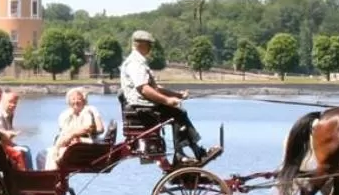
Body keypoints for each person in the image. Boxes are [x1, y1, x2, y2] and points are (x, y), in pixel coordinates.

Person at [120, 29, 217, 166]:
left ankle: (193, 152)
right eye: (149, 44)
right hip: (141, 107)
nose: (151, 47)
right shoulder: (135, 63)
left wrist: (177, 95)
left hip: (143, 104)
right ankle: (183, 154)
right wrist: (167, 101)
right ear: (139, 44)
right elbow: (143, 89)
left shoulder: (139, 61)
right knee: (177, 113)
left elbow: (156, 88)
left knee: (178, 112)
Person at [45, 87, 105, 170]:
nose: (75, 102)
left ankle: (52, 179)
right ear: (69, 102)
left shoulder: (90, 110)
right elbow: (64, 133)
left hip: (86, 145)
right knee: (43, 154)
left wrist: (75, 135)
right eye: (73, 99)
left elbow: (99, 129)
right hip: (69, 144)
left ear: (84, 101)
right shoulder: (65, 115)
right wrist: (69, 138)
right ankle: (47, 177)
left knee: (54, 154)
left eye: (78, 99)